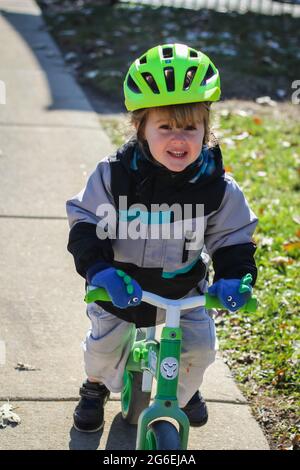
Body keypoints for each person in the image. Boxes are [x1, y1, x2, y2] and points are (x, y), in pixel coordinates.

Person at [66, 43, 258, 433]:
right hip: (122, 286)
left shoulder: (216, 186)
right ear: (140, 127)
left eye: (190, 127)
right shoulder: (113, 176)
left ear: (207, 130)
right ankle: (95, 384)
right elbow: (85, 222)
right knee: (103, 350)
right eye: (165, 127)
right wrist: (98, 269)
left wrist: (236, 275)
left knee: (200, 351)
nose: (179, 139)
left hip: (183, 290)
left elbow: (233, 237)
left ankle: (181, 393)